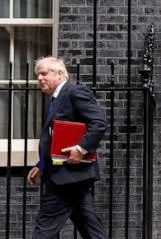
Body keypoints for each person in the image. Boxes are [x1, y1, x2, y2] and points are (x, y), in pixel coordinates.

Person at [27, 56, 108, 239]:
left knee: (44, 229)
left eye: (44, 73)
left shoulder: (73, 92)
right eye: (38, 75)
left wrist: (80, 149)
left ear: (60, 74)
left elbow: (99, 122)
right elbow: (57, 141)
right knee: (91, 229)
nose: (39, 78)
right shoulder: (56, 99)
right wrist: (41, 166)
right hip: (71, 177)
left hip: (66, 178)